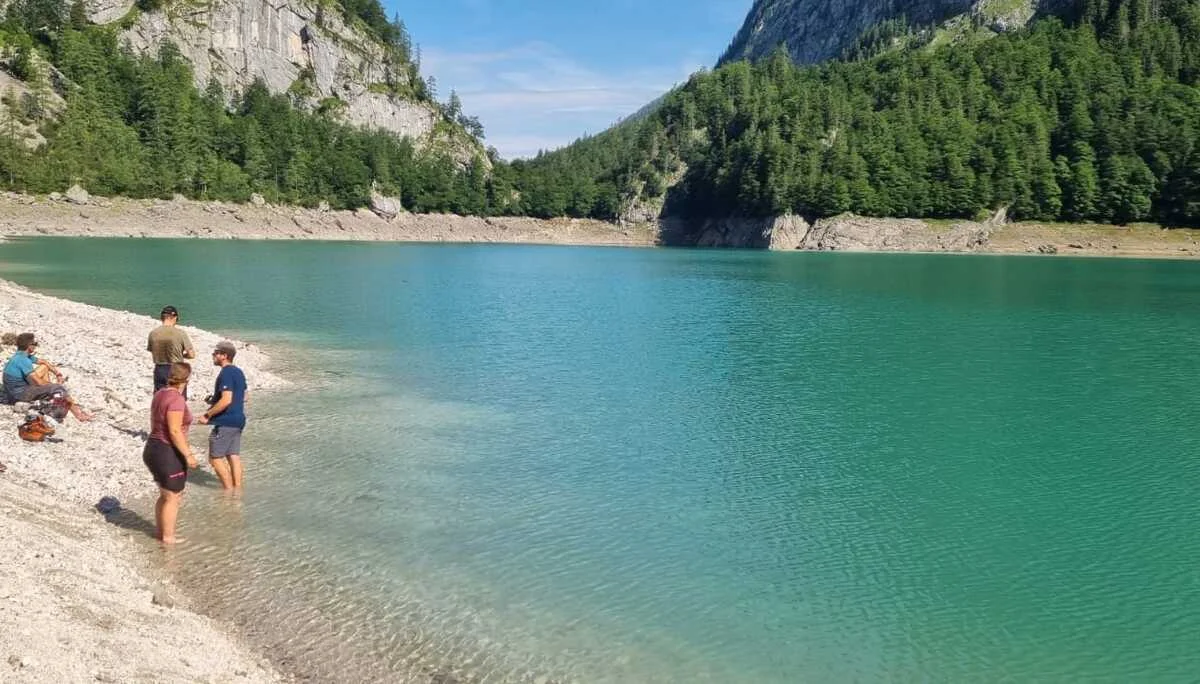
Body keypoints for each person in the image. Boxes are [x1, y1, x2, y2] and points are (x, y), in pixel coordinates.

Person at [144, 362, 198, 544]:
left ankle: (161, 534)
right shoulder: (176, 400)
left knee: (165, 495)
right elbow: (174, 430)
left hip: (153, 447)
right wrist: (188, 455)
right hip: (166, 450)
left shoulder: (160, 393)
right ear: (187, 379)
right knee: (173, 496)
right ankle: (168, 539)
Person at [2, 332, 93, 421]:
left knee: (44, 368)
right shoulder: (23, 360)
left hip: (16, 390)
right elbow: (38, 382)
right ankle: (79, 415)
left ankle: (49, 397)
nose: (36, 346)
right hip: (18, 395)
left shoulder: (21, 356)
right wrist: (54, 385)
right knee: (58, 388)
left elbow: (44, 362)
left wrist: (58, 374)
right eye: (35, 344)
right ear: (29, 346)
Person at [198, 341, 247, 490]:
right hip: (239, 420)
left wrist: (207, 415)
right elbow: (244, 396)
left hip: (226, 422)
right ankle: (237, 490)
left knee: (215, 458)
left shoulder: (225, 373)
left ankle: (228, 491)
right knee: (233, 456)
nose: (213, 356)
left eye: (215, 353)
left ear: (224, 356)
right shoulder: (239, 372)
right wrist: (214, 400)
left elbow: (226, 400)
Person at [147, 305, 195, 396]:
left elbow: (151, 350)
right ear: (175, 317)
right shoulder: (180, 333)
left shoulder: (153, 333)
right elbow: (192, 355)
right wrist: (182, 355)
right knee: (177, 399)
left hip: (159, 369)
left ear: (162, 318)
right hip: (177, 369)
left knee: (160, 398)